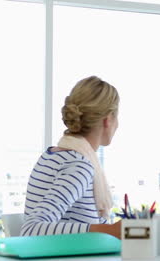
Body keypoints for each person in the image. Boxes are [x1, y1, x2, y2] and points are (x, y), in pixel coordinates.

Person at [21, 76, 121, 239]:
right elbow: (31, 229)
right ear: (108, 120)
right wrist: (108, 230)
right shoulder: (79, 166)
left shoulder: (52, 156)